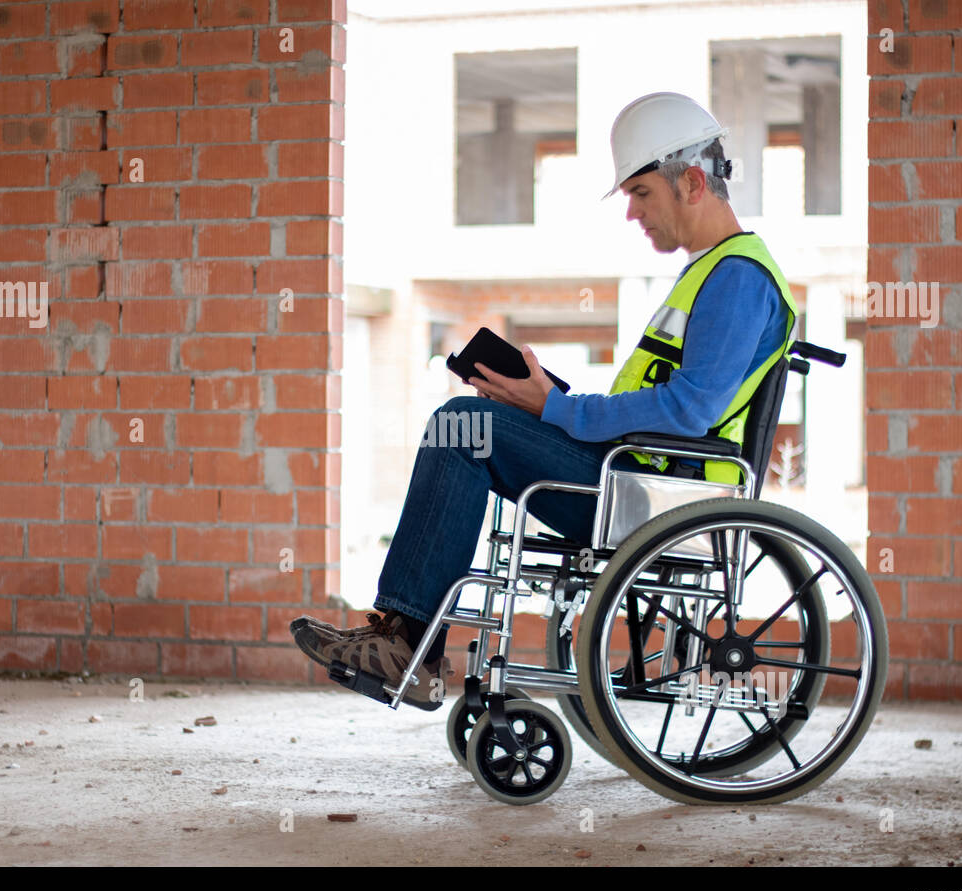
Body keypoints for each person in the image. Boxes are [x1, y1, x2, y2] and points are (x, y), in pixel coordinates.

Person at [290, 92, 798, 709]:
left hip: (655, 498)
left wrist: (554, 410)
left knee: (463, 428)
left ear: (691, 182)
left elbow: (690, 410)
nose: (633, 214)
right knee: (472, 423)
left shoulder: (737, 278)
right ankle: (409, 642)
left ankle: (409, 643)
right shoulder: (712, 272)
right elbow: (664, 404)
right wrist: (545, 400)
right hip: (636, 478)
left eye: (641, 193)